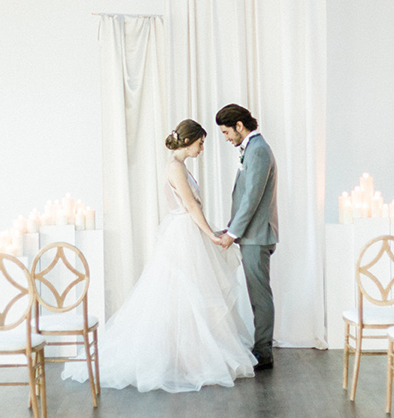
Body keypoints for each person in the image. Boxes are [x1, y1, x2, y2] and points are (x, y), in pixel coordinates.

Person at [63, 119, 256, 392]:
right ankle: (190, 360)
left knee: (193, 296)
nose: (202, 149)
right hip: (183, 234)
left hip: (189, 231)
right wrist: (212, 235)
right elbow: (189, 205)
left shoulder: (180, 167)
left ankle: (191, 357)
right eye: (200, 143)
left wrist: (211, 231)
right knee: (185, 294)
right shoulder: (175, 168)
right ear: (188, 142)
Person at [215, 104, 279, 371]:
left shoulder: (259, 150)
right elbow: (245, 197)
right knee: (257, 294)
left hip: (257, 236)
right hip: (251, 235)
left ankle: (263, 351)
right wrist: (229, 227)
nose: (227, 138)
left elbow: (252, 197)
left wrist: (232, 234)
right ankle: (261, 348)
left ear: (240, 126)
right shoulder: (254, 149)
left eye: (227, 132)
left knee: (259, 295)